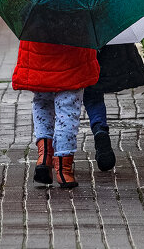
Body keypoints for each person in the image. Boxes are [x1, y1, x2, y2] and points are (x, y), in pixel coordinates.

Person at [13, 39, 100, 188]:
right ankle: (64, 170)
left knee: (42, 103)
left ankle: (44, 157)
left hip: (38, 56)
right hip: (71, 60)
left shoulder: (34, 16)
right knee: (67, 112)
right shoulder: (79, 15)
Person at [84, 43, 144, 171]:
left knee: (67, 100)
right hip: (98, 46)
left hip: (71, 48)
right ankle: (100, 129)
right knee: (93, 93)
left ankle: (57, 152)